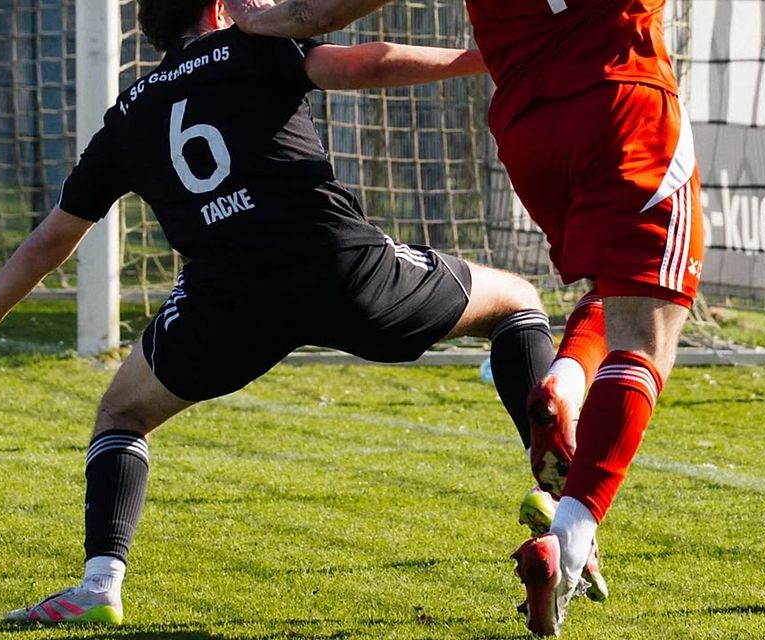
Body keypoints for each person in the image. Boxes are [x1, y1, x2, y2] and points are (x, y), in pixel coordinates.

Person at [0, 0, 577, 626]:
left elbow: (52, 238)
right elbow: (363, 63)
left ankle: (99, 585)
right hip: (339, 268)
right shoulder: (255, 44)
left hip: (229, 300)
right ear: (219, 8)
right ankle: (554, 491)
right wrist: (478, 57)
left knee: (121, 415)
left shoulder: (128, 114)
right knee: (517, 300)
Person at [224, 0, 705, 636]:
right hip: (623, 103)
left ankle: (564, 384)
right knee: (647, 338)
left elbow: (323, 14)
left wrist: (255, 17)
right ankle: (569, 539)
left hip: (529, 131)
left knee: (617, 290)